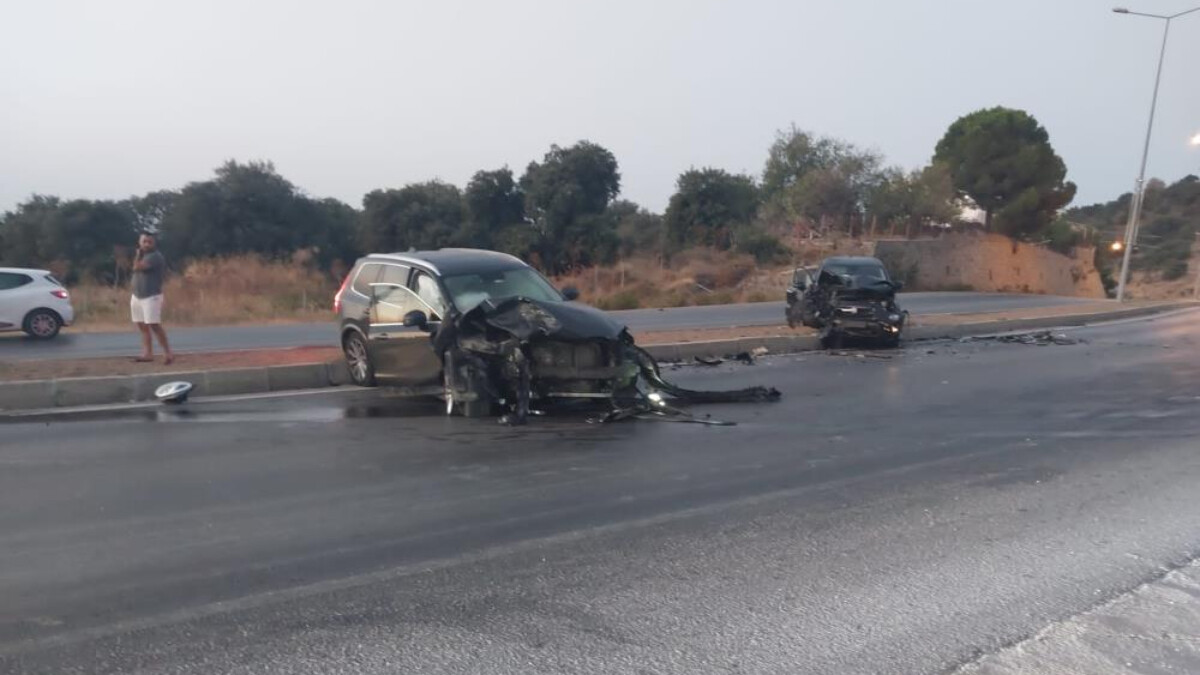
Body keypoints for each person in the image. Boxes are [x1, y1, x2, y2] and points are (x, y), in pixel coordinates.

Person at [130, 232, 173, 364]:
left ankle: (168, 353)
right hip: (137, 296)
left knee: (154, 325)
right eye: (144, 241)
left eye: (150, 242)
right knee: (142, 326)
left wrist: (138, 255)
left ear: (154, 243)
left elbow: (137, 267)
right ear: (140, 242)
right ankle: (147, 353)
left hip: (151, 296)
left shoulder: (155, 256)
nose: (147, 244)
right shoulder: (143, 256)